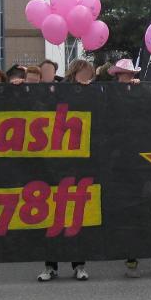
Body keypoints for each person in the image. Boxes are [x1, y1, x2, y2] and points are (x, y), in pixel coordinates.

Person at [39, 59, 93, 282]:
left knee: (75, 217)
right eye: (84, 73)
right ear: (75, 72)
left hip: (78, 164)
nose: (87, 77)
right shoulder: (57, 91)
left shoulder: (91, 92)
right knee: (51, 217)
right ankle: (50, 266)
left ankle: (79, 265)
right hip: (52, 162)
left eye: (89, 74)